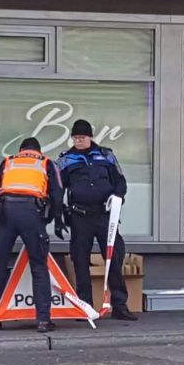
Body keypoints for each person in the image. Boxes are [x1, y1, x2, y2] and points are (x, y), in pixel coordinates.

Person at [0, 137, 65, 333]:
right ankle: (43, 320)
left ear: (21, 150)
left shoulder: (9, 162)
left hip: (5, 213)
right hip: (31, 213)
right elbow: (58, 193)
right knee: (38, 266)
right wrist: (56, 220)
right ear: (38, 150)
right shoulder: (46, 163)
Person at [57, 119, 137, 321]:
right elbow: (58, 187)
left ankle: (119, 306)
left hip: (104, 215)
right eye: (75, 137)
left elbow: (120, 181)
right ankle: (85, 307)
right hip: (80, 216)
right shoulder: (66, 160)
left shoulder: (106, 155)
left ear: (90, 137)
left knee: (114, 257)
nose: (79, 141)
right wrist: (59, 213)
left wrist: (118, 197)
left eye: (82, 137)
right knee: (80, 261)